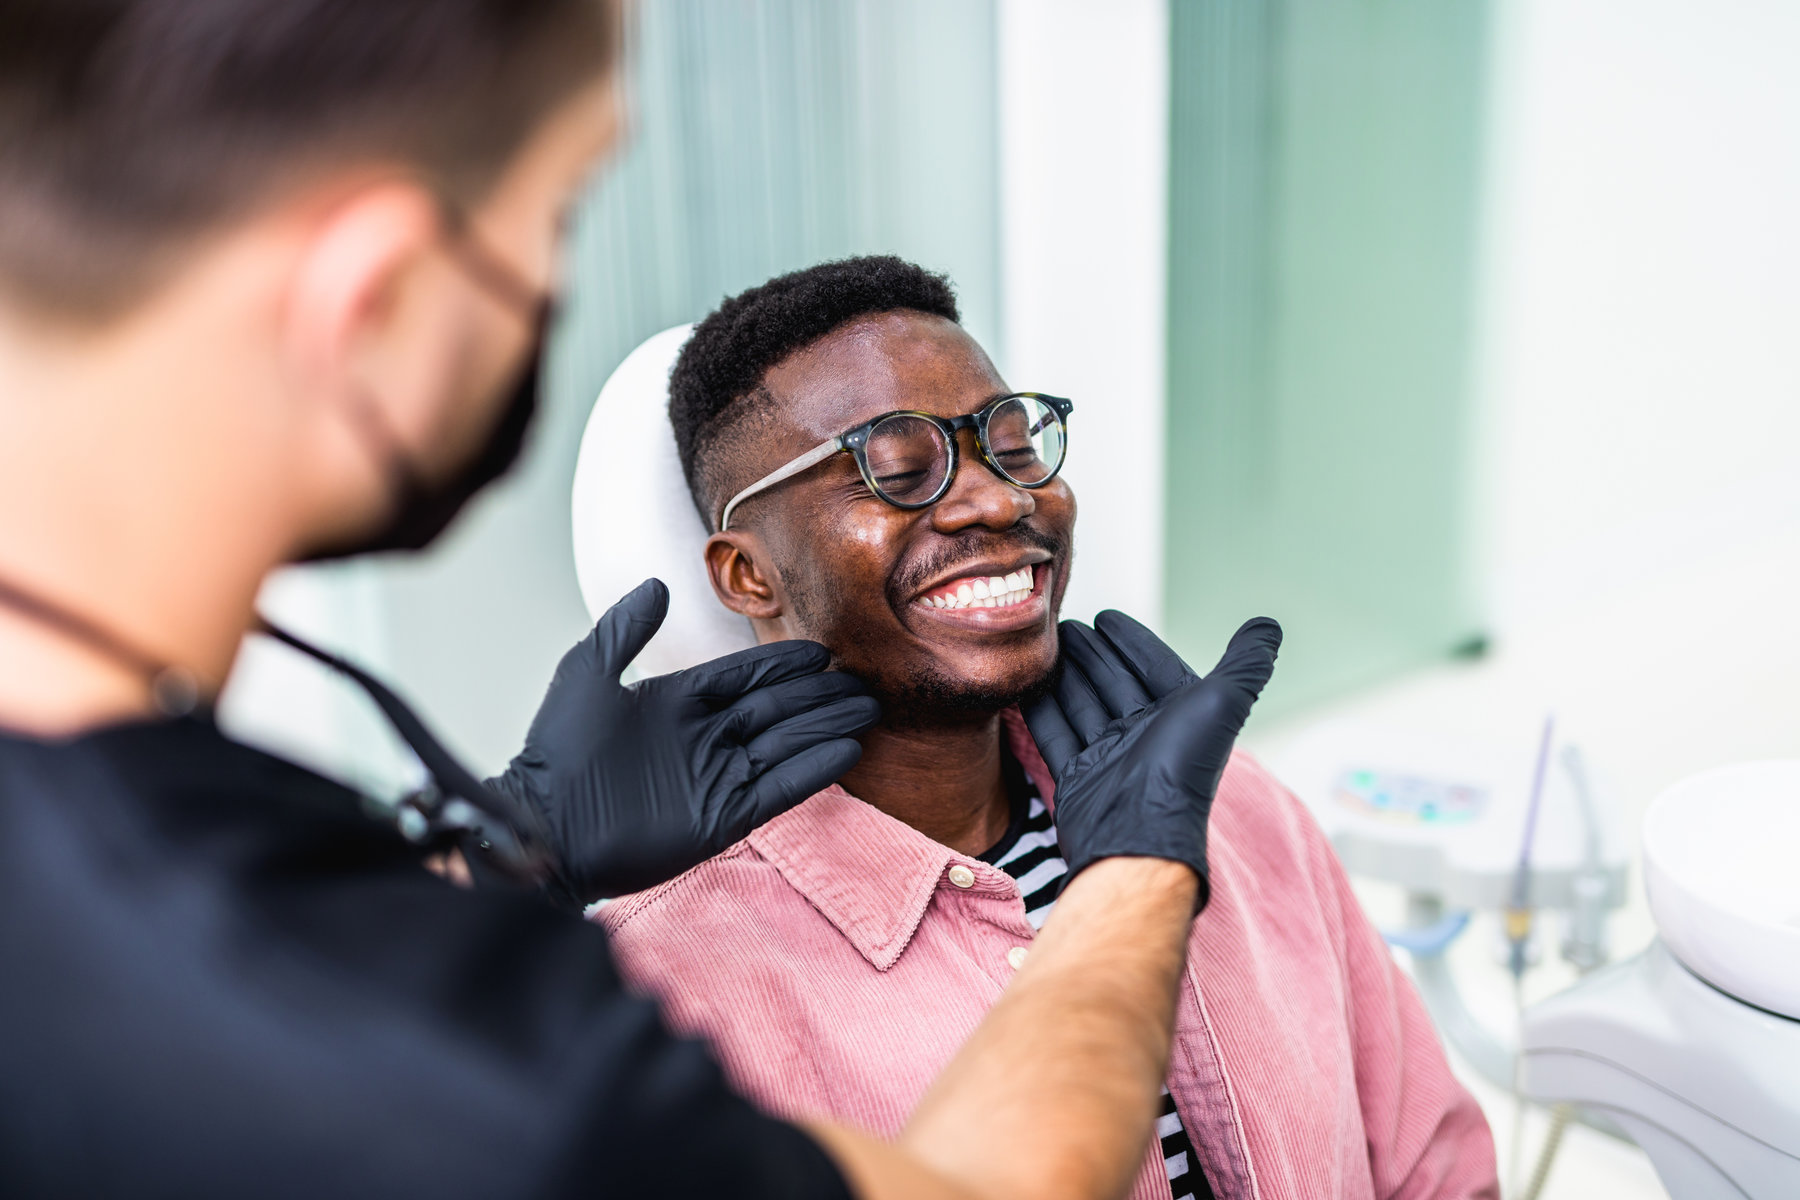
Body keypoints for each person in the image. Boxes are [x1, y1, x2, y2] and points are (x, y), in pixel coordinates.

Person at [0, 4, 1283, 1198]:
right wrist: (1133, 871)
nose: (991, 500)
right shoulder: (489, 1058)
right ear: (374, 298)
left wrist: (509, 839)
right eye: (553, 213)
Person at [595, 257, 1501, 1200]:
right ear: (747, 576)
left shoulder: (1222, 806)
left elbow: (1437, 1170)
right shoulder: (666, 992)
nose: (999, 499)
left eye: (1015, 446)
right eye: (899, 467)